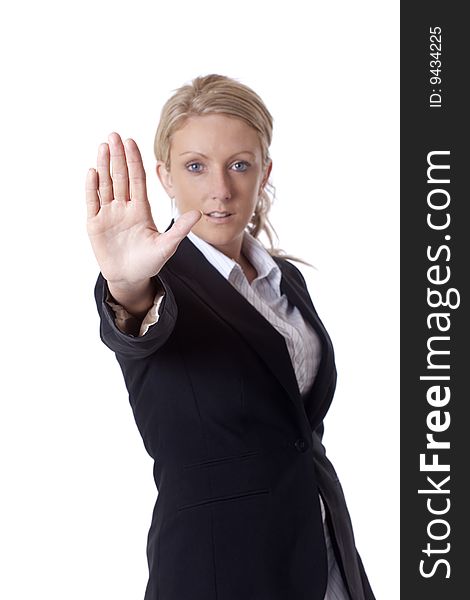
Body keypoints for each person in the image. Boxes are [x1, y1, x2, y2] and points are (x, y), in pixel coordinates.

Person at [86, 74, 376, 600]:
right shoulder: (153, 284)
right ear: (165, 177)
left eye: (239, 165)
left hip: (324, 555)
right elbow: (135, 325)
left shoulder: (285, 280)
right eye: (195, 166)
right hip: (222, 571)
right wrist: (126, 283)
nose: (220, 189)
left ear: (265, 171)